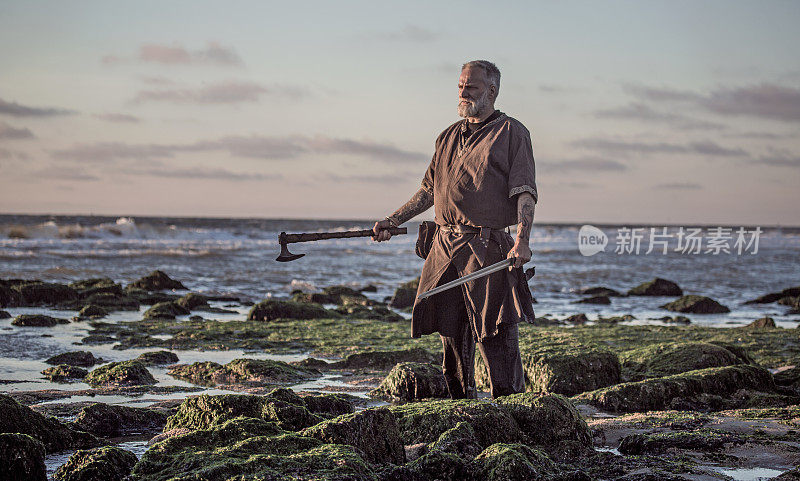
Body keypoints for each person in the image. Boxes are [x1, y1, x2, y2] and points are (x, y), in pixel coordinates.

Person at [372, 60, 537, 399]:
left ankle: (511, 411)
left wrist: (521, 239)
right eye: (461, 85)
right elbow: (429, 191)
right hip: (443, 247)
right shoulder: (446, 137)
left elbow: (525, 191)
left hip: (487, 248)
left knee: (495, 335)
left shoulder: (511, 133)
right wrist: (393, 220)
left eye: (472, 86)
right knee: (450, 333)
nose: (463, 91)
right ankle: (462, 407)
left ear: (491, 91)